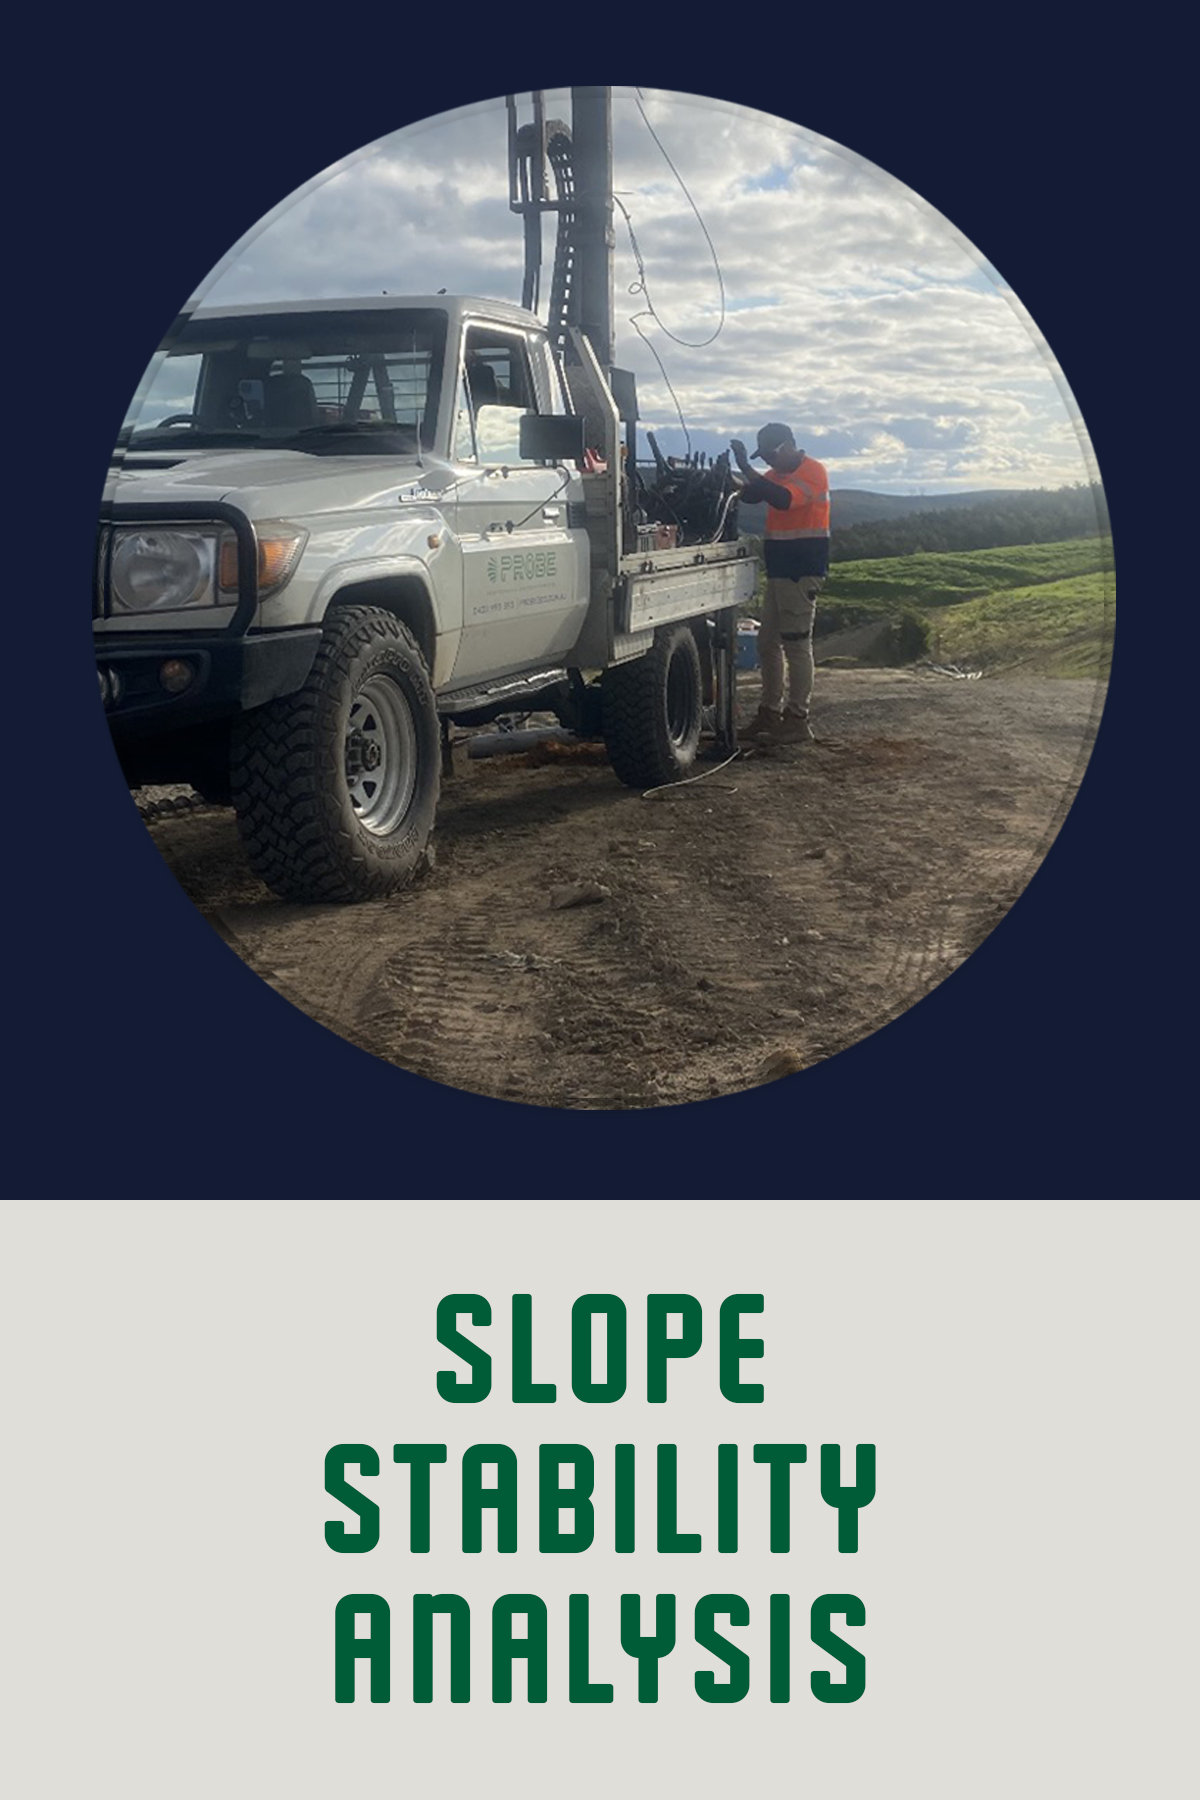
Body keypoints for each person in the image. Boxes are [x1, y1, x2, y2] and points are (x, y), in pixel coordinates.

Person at [730, 423, 830, 743]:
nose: (769, 464)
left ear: (787, 446)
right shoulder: (777, 474)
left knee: (797, 646)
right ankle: (770, 713)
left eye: (771, 456)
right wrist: (727, 478)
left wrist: (746, 467)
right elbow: (752, 494)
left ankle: (798, 718)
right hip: (780, 570)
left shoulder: (813, 472)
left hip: (800, 571)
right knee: (767, 643)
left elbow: (783, 500)